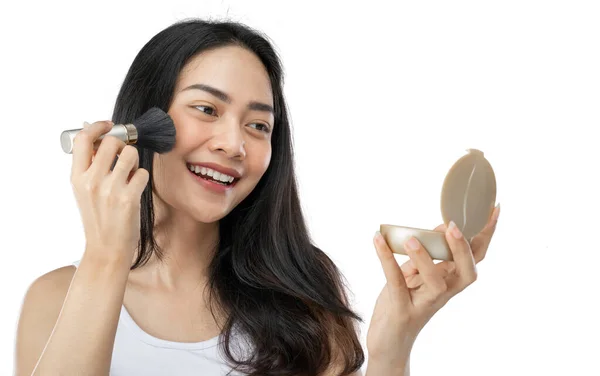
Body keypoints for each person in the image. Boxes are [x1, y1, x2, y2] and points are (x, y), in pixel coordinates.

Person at [14, 19, 500, 376]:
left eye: (258, 125)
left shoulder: (304, 300)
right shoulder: (55, 299)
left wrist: (393, 347)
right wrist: (104, 257)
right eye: (206, 108)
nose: (234, 144)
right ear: (140, 125)